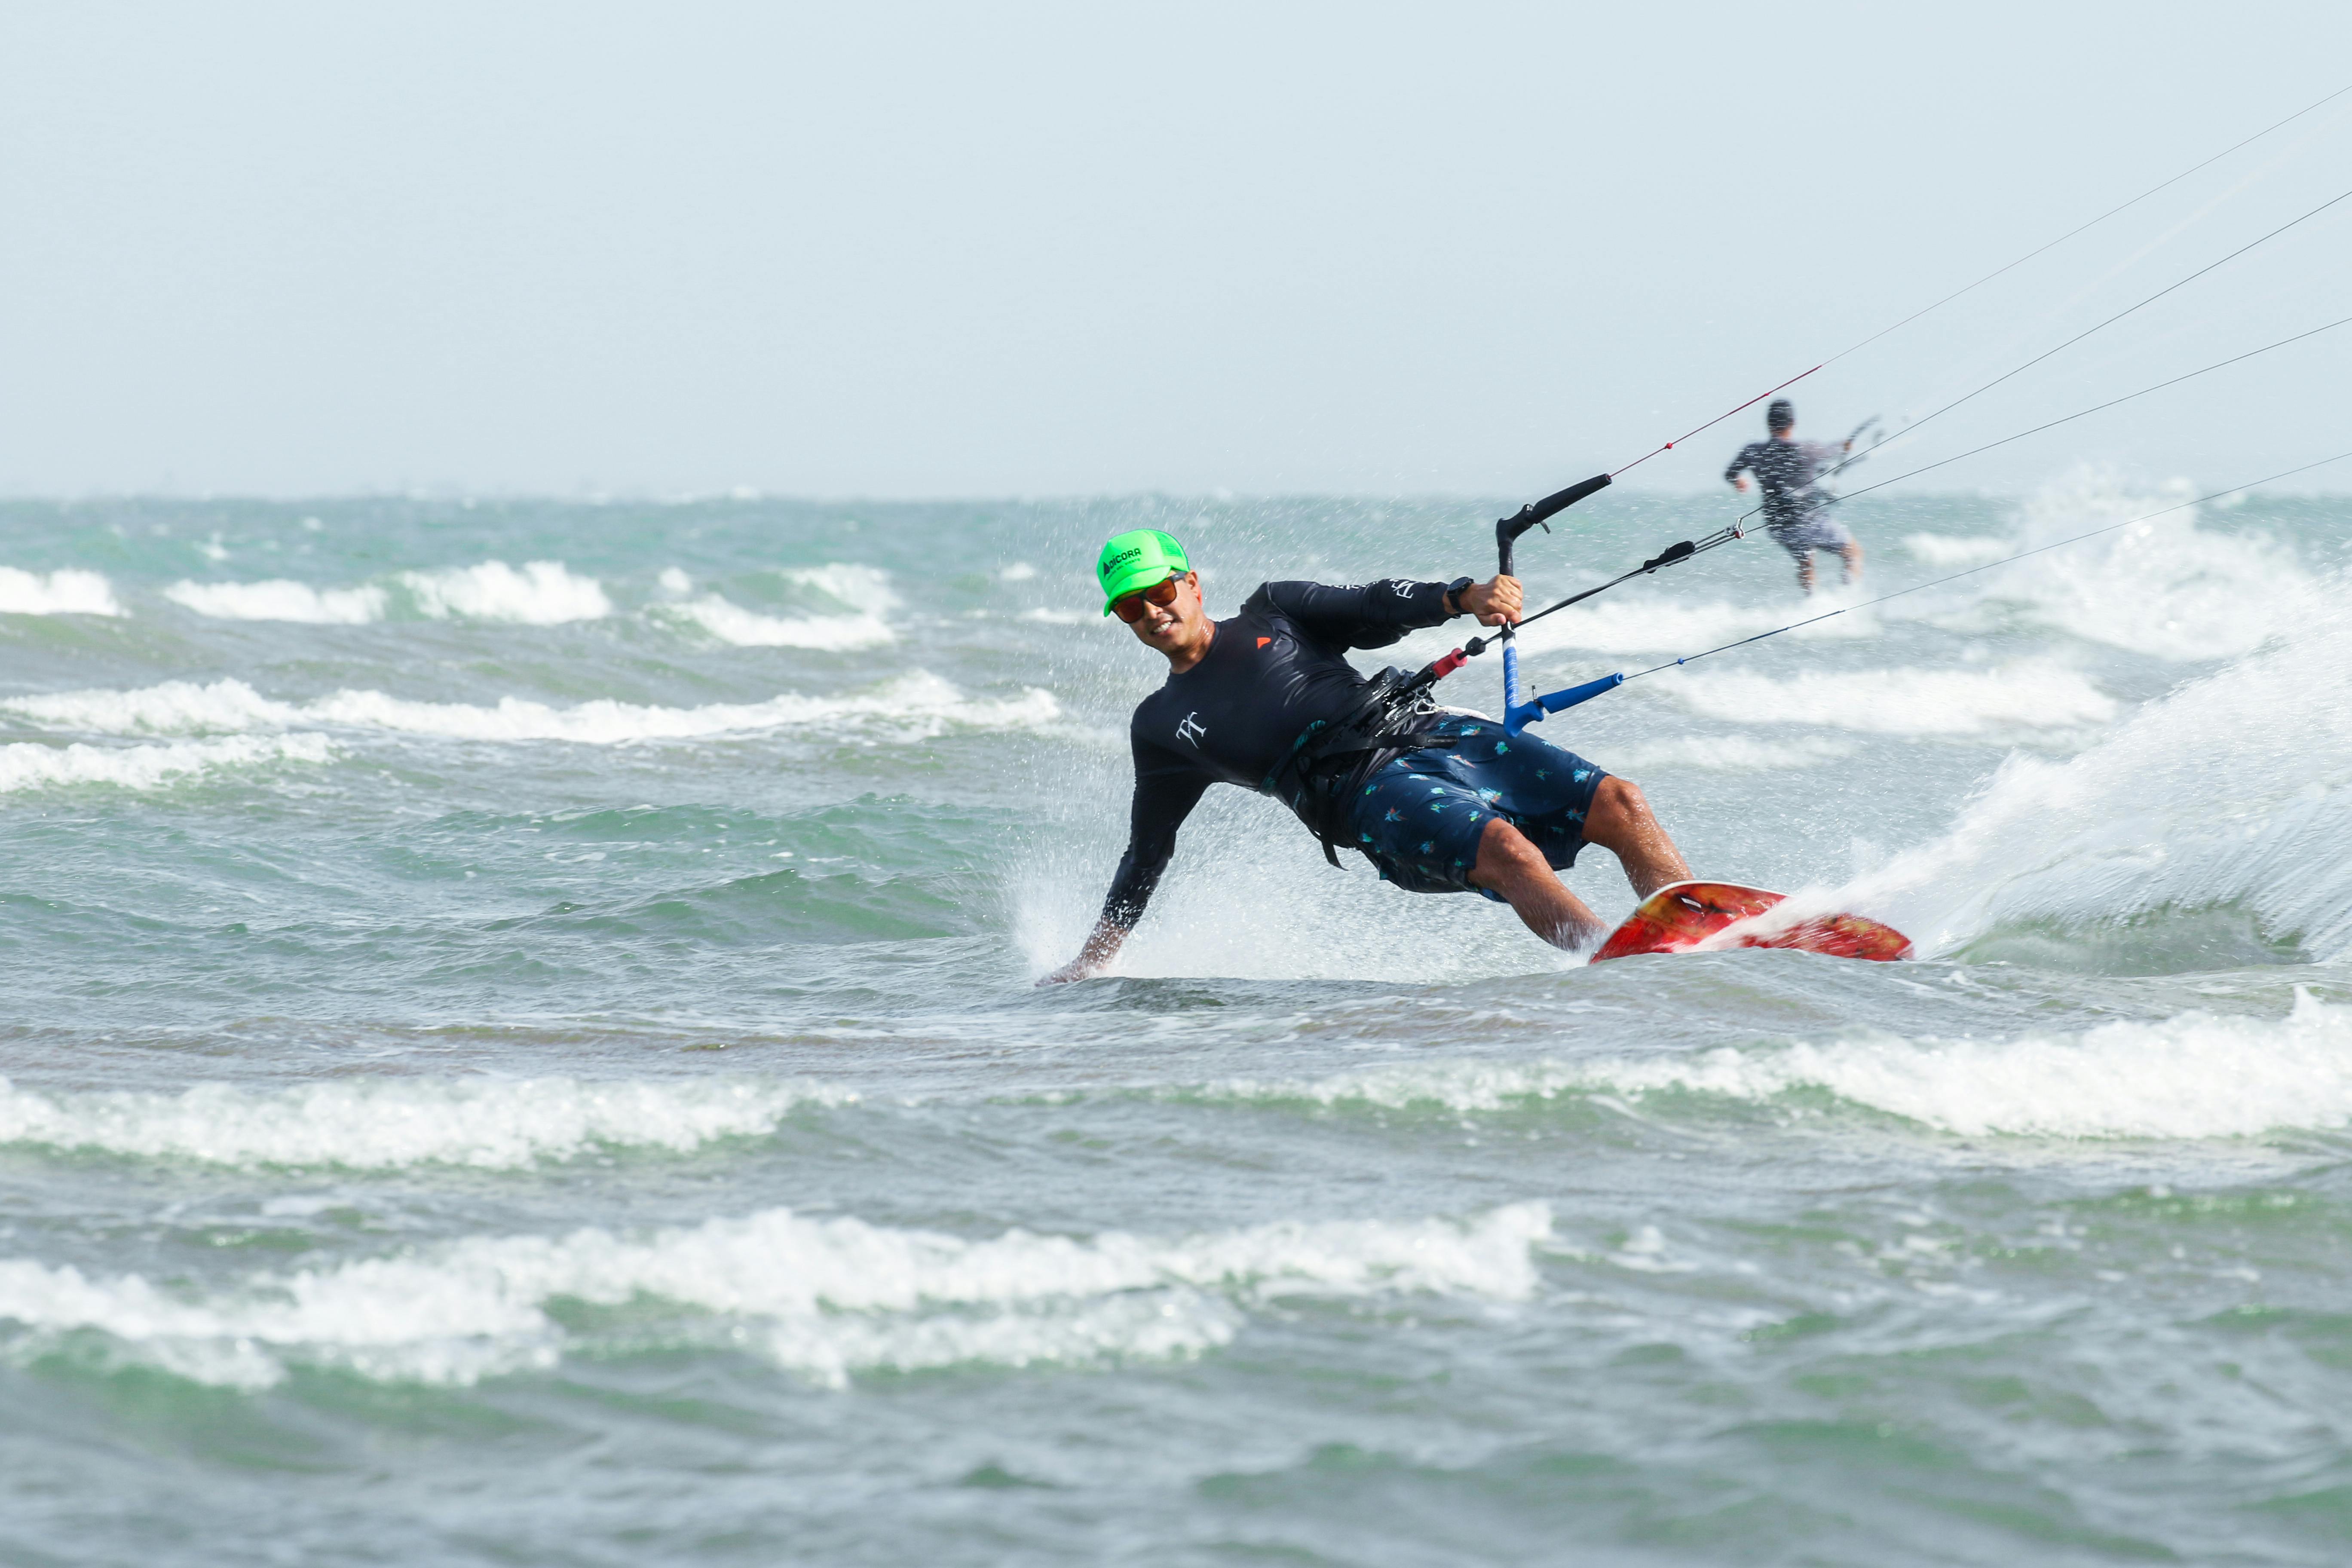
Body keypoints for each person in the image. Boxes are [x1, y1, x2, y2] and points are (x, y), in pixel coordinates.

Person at [1038, 529, 1694, 983]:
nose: (1152, 613)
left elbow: (1374, 605)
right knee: (1508, 852)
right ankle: (1618, 970)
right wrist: (1096, 958)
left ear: (1193, 584)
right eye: (1130, 608)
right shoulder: (1159, 727)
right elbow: (1146, 854)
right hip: (1361, 795)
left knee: (1620, 802)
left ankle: (1700, 936)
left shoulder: (1277, 609)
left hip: (1428, 730)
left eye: (1160, 592)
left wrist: (1462, 597)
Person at [1724, 399, 1863, 593]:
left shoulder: (1754, 452)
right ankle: (1848, 596)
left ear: (1768, 424)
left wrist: (1737, 481)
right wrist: (1845, 445)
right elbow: (1834, 451)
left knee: (1806, 561)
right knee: (1852, 552)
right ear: (1793, 423)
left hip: (1778, 526)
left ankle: (1812, 603)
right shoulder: (1808, 450)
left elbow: (1730, 473)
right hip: (1809, 520)